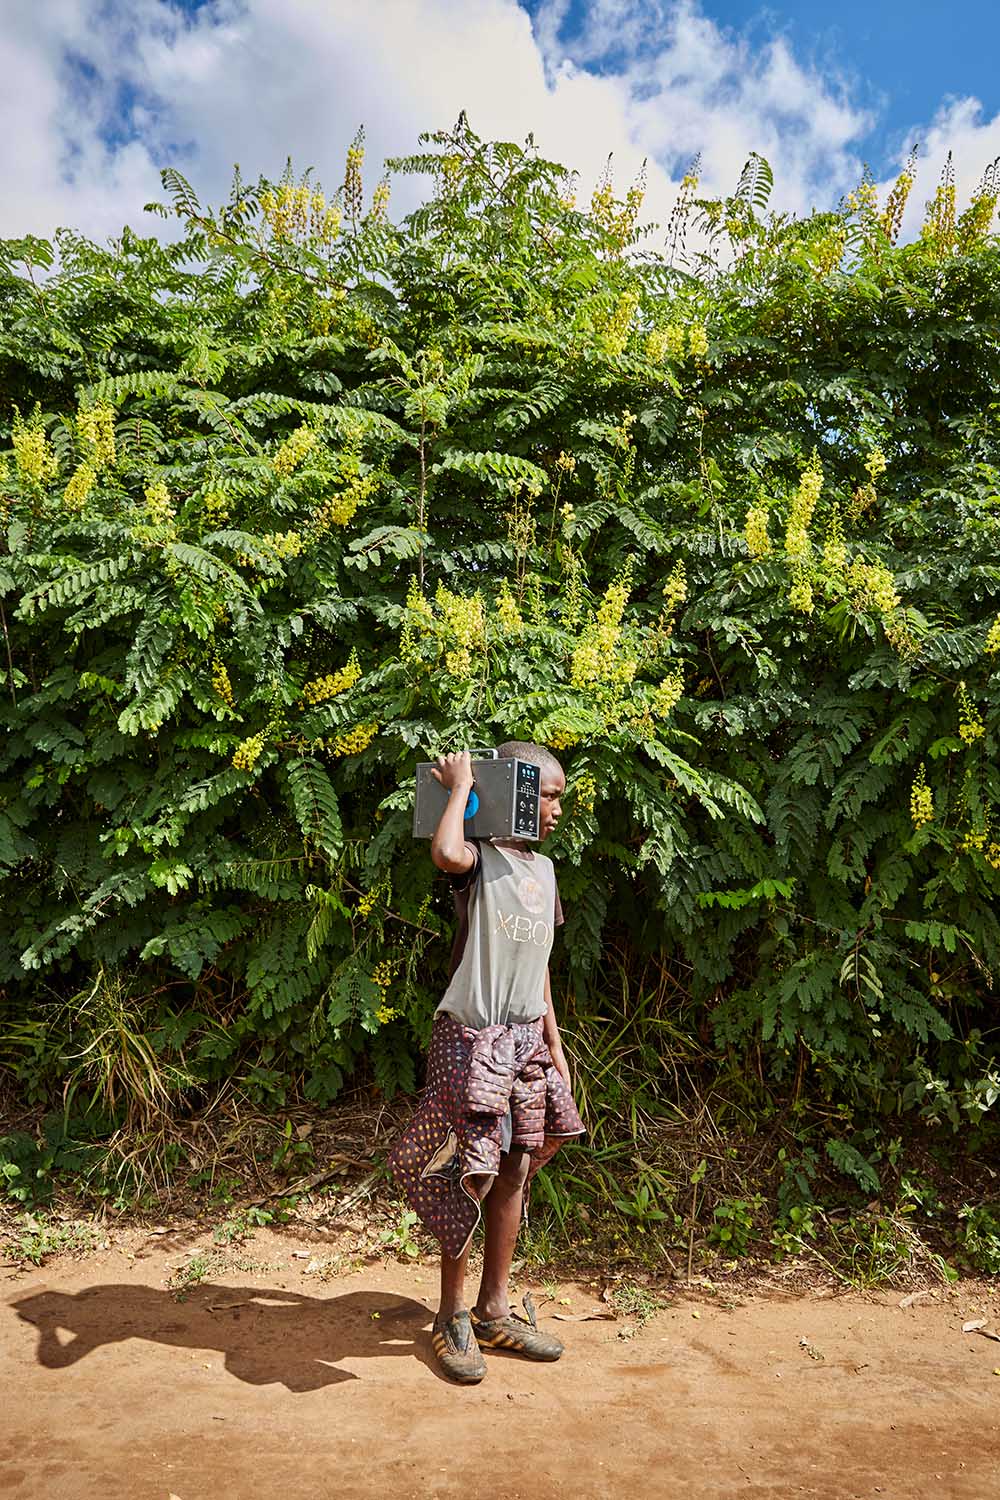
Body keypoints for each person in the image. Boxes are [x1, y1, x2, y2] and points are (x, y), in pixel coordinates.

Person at [388, 741, 584, 1383]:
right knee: (469, 1174)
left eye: (559, 795)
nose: (558, 807)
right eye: (549, 794)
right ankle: (451, 1318)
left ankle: (495, 1310)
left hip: (526, 1042)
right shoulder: (480, 863)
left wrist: (553, 1042)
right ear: (514, 792)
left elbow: (541, 965)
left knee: (517, 1169)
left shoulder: (545, 872)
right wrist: (462, 784)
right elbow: (445, 851)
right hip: (471, 1040)